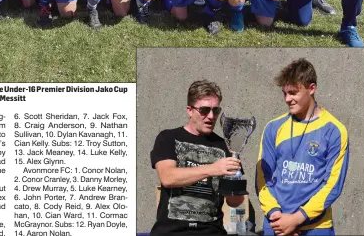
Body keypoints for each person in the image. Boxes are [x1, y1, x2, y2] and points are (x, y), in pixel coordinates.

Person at [256, 58, 349, 236]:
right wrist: (277, 217)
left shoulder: (335, 130)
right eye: (284, 93)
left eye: (293, 93)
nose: (287, 99)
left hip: (316, 228)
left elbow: (333, 185)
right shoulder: (273, 128)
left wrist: (297, 219)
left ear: (311, 88)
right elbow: (262, 178)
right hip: (276, 225)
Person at [150, 80, 245, 235]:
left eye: (216, 110)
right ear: (190, 110)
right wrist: (212, 169)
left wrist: (235, 186)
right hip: (172, 232)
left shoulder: (225, 146)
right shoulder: (168, 137)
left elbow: (235, 202)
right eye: (204, 110)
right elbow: (168, 177)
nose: (211, 116)